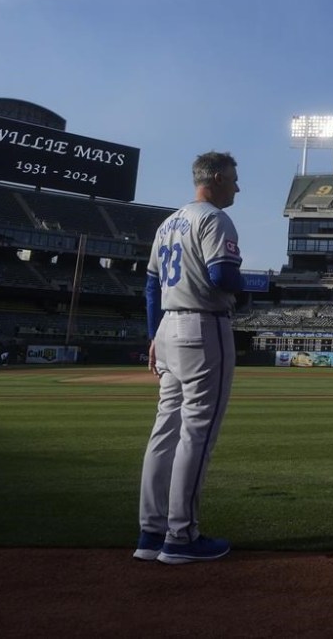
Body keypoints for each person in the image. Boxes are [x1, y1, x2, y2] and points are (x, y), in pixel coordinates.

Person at [133, 151, 243, 565]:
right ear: (214, 178)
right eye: (232, 178)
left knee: (165, 429)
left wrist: (152, 336)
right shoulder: (214, 218)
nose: (236, 185)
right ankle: (181, 536)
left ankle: (151, 531)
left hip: (167, 327)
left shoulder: (167, 223)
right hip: (203, 326)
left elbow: (149, 286)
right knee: (198, 431)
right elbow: (222, 275)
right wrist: (242, 282)